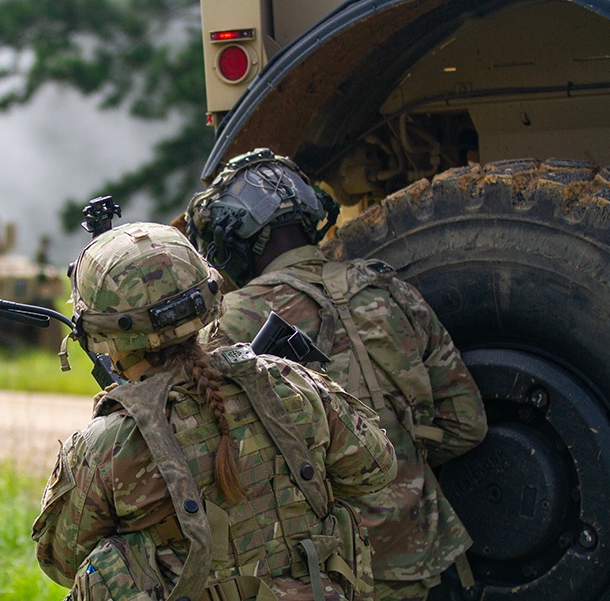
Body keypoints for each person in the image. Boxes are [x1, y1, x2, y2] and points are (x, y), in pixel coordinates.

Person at [33, 221, 397, 601]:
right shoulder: (291, 382)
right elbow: (377, 468)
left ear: (98, 334)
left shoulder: (106, 444)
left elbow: (60, 560)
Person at [185, 149, 488, 601]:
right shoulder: (391, 293)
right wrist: (395, 459)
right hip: (415, 554)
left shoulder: (233, 319)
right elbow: (466, 424)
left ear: (236, 237)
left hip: (316, 568)